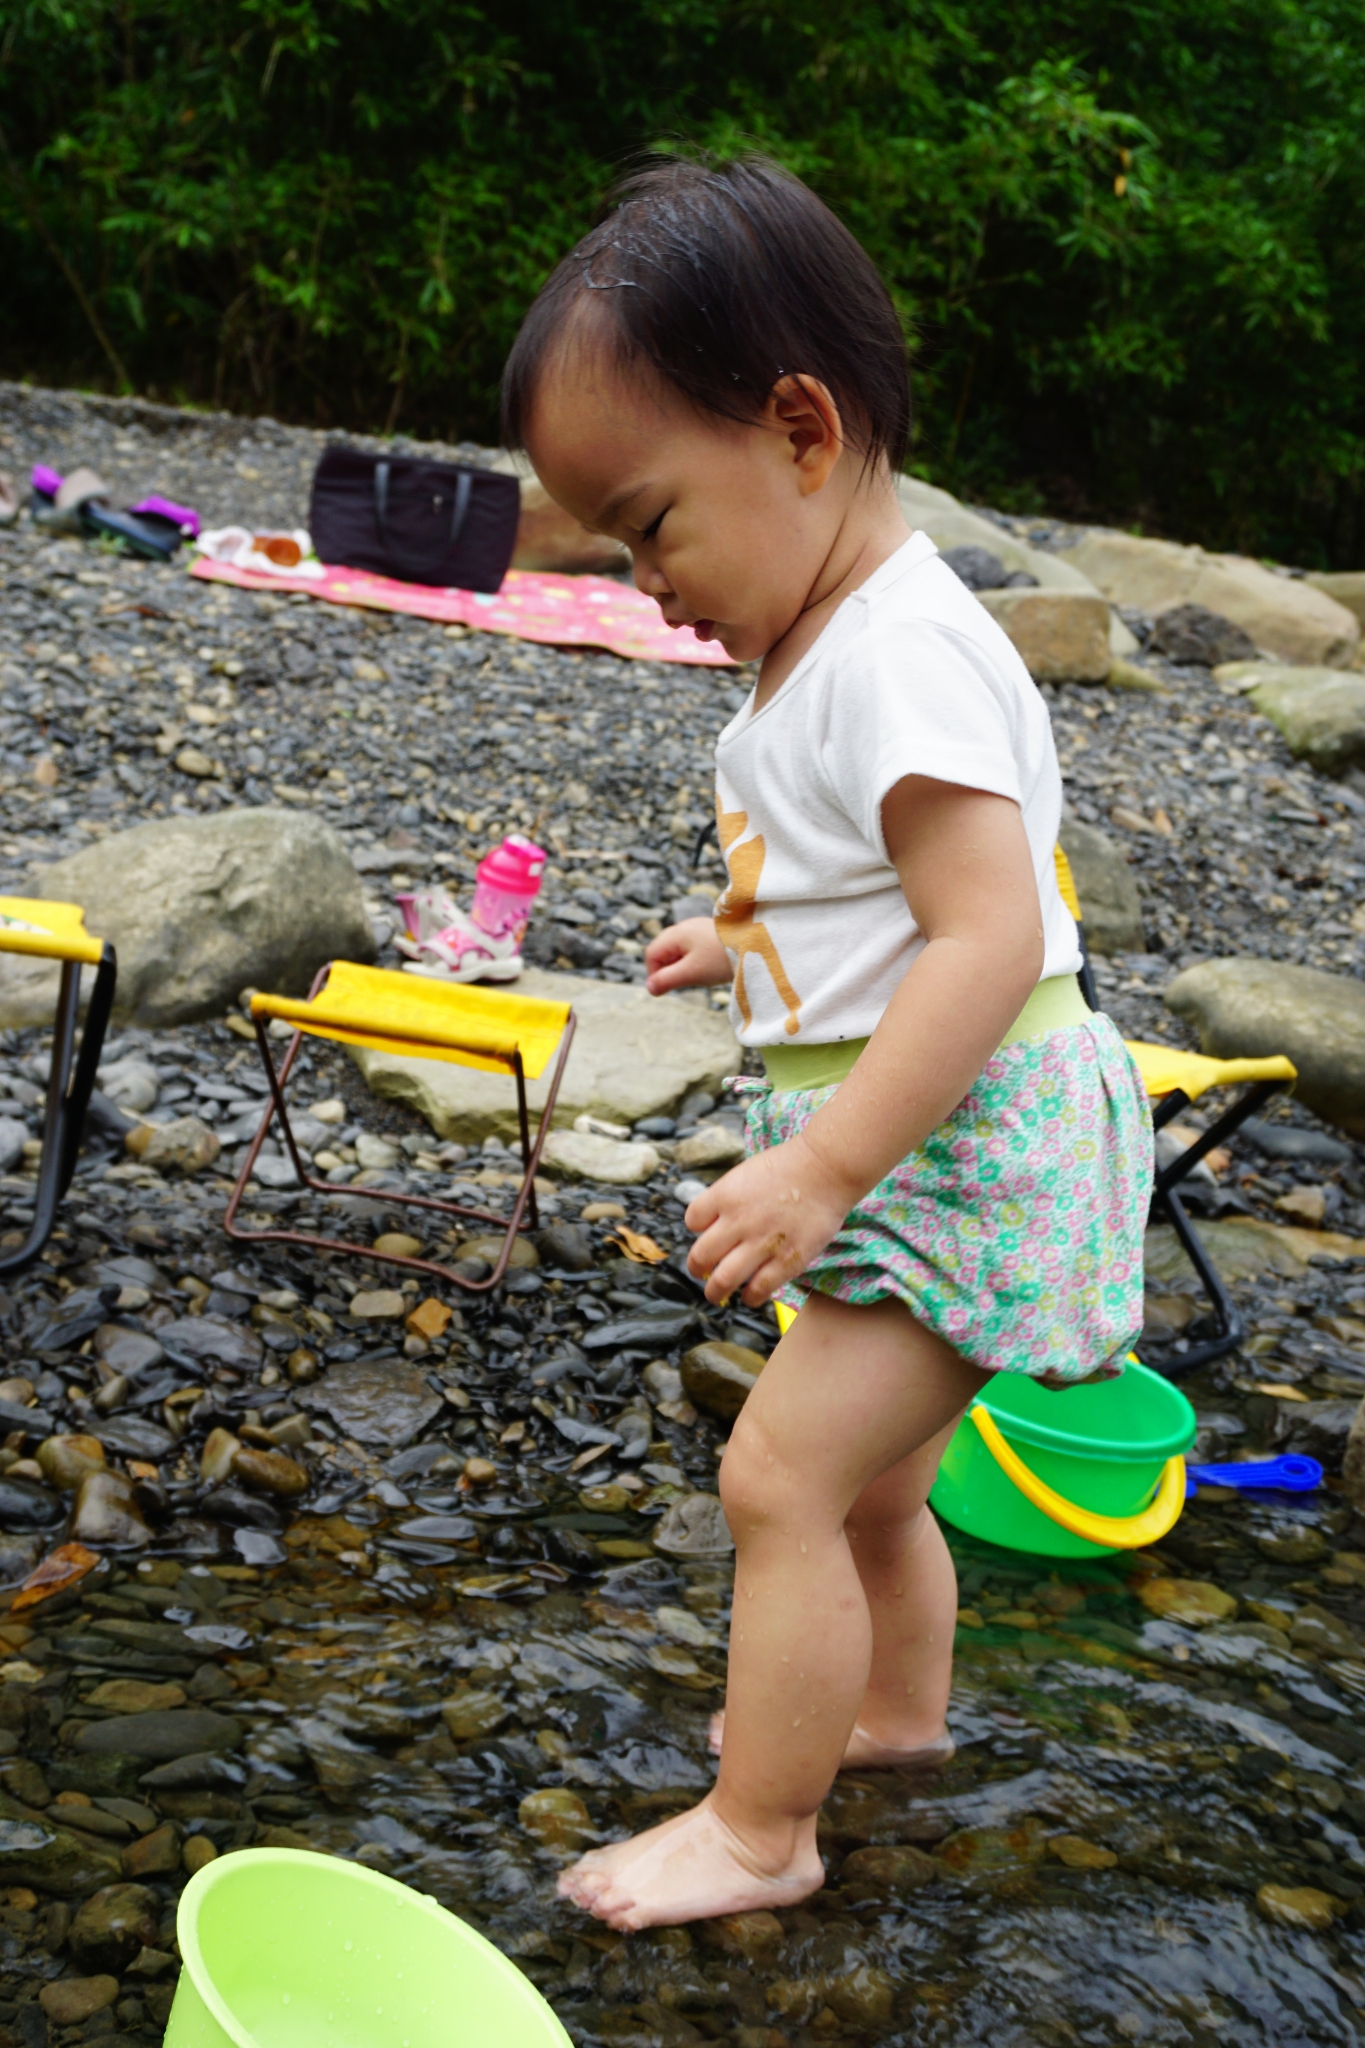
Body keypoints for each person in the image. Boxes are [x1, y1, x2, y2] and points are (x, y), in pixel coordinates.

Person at [501, 155, 1151, 1934]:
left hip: (960, 1142)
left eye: (651, 526)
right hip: (947, 1136)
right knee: (871, 1487)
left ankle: (759, 1833)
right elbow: (875, 890)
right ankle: (895, 1721)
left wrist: (819, 1165)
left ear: (799, 430)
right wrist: (742, 939)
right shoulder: (837, 642)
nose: (646, 581)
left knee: (777, 1473)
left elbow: (988, 931)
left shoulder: (894, 655)